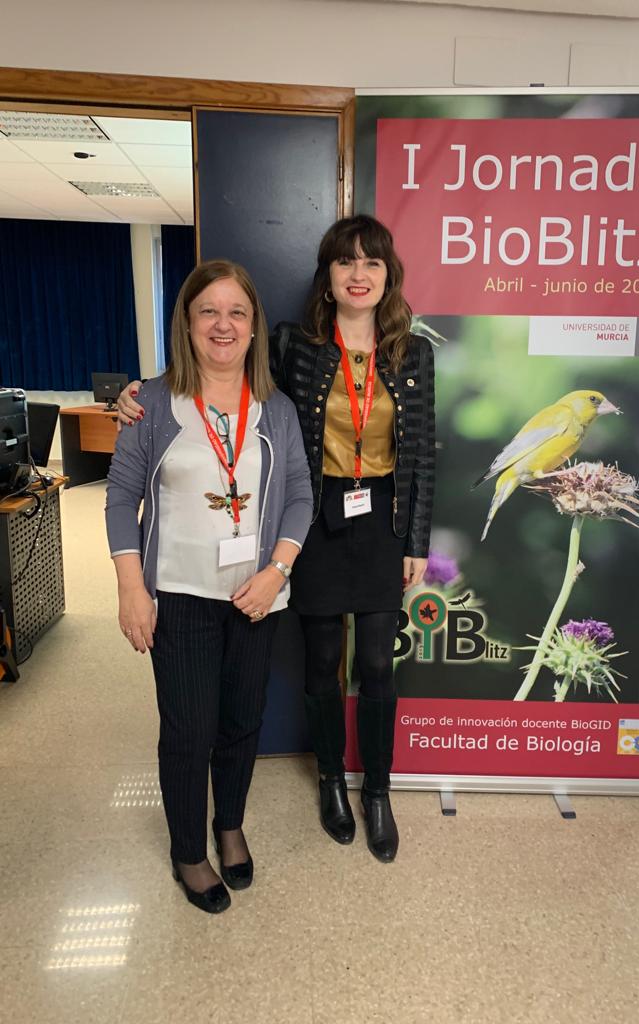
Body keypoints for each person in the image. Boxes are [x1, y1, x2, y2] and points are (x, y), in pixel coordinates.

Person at [117, 215, 436, 864]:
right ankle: (328, 787)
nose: (358, 274)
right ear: (327, 276)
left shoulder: (413, 351)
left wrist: (418, 540)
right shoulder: (296, 343)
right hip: (312, 522)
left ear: (387, 275)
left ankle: (375, 790)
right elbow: (216, 368)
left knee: (376, 663)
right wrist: (137, 395)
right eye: (345, 263)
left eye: (371, 263)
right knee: (318, 665)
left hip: (374, 521)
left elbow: (424, 451)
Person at [105, 260, 312, 913]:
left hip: (255, 599)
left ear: (253, 329)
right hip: (179, 597)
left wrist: (276, 570)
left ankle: (229, 825)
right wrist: (130, 589)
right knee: (188, 731)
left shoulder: (275, 410)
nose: (223, 324)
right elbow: (119, 502)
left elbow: (300, 497)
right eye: (208, 312)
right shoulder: (153, 405)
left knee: (241, 722)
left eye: (237, 313)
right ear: (188, 324)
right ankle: (188, 852)